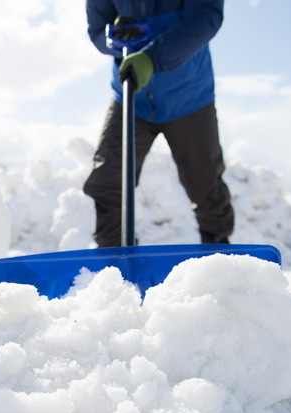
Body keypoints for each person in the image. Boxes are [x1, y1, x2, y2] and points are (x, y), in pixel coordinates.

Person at [83, 0, 234, 246]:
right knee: (109, 181)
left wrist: (152, 57)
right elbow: (98, 30)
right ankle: (116, 260)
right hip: (131, 97)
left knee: (205, 184)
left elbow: (207, 16)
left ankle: (218, 255)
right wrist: (114, 38)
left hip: (188, 96)